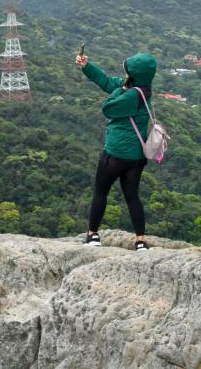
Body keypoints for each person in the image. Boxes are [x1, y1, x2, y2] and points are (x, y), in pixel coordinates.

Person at [76, 51, 157, 251]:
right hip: (136, 157)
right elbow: (106, 81)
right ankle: (140, 240)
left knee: (101, 192)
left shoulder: (130, 95)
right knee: (132, 196)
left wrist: (120, 90)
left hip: (115, 154)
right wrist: (87, 66)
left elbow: (108, 108)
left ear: (133, 74)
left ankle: (93, 235)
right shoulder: (143, 89)